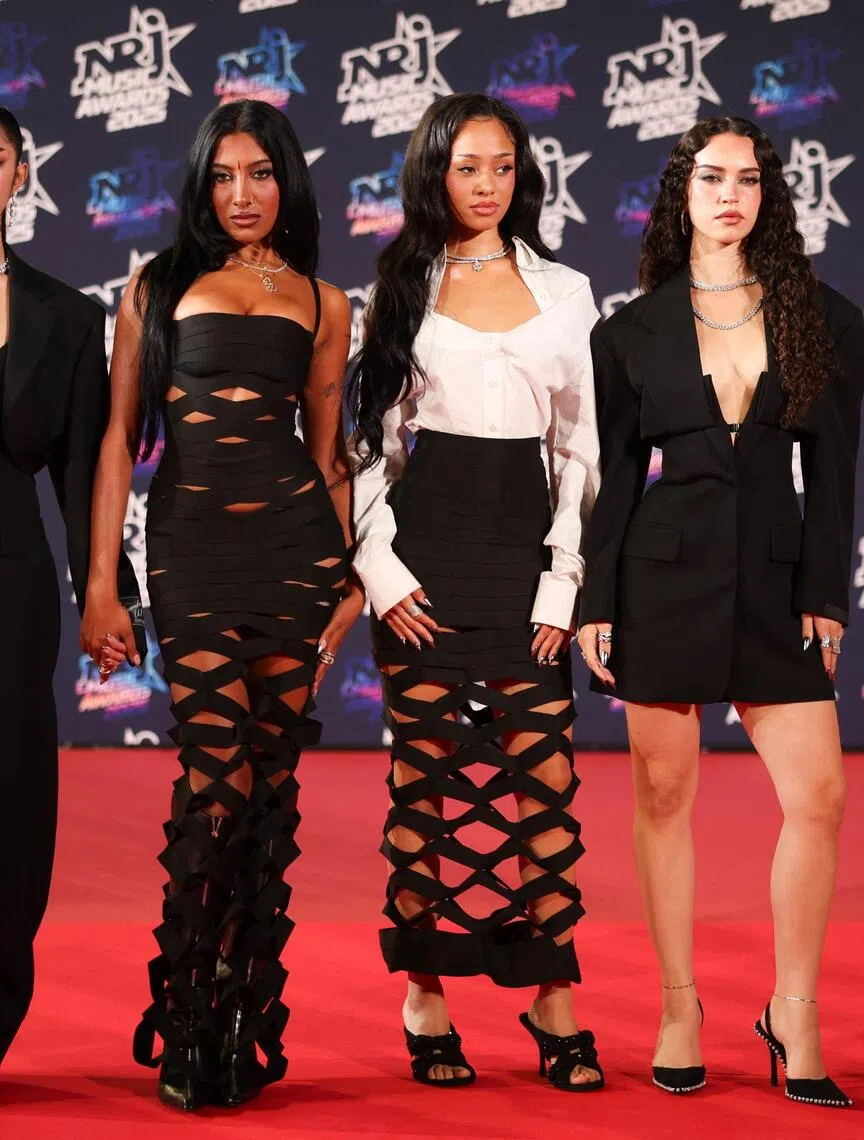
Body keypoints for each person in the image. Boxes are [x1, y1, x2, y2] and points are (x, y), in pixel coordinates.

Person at [577, 116, 864, 1106]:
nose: (730, 194)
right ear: (681, 191)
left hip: (778, 586)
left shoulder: (824, 315)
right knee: (664, 798)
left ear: (769, 194)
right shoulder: (631, 330)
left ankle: (795, 1009)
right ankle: (679, 1006)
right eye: (712, 177)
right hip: (662, 578)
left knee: (818, 797)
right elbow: (612, 481)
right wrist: (594, 600)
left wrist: (826, 596)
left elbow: (833, 480)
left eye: (748, 178)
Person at [81, 99, 354, 1111]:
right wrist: (102, 584)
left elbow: (328, 458)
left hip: (293, 557)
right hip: (191, 554)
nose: (242, 195)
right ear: (202, 184)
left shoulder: (328, 302)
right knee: (219, 781)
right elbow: (118, 438)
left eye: (260, 173)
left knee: (268, 798)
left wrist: (346, 579)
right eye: (224, 175)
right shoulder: (154, 286)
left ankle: (241, 1017)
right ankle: (187, 1013)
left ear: (288, 182)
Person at [344, 93, 603, 1092]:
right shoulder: (400, 284)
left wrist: (561, 580)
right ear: (432, 175)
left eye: (501, 166)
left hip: (524, 557)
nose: (486, 184)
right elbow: (369, 443)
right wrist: (383, 569)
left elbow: (582, 450)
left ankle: (554, 999)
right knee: (425, 783)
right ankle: (426, 997)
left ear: (521, 175)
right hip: (426, 559)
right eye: (465, 167)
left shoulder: (569, 290)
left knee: (544, 786)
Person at [0, 105, 142, 1068]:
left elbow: (90, 470)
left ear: (17, 175)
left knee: (10, 808)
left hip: (9, 595)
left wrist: (108, 591)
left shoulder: (66, 315)